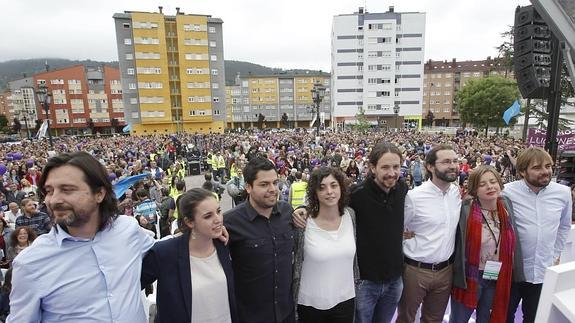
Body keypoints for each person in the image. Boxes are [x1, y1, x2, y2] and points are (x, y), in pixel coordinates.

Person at [7, 151, 155, 322]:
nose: (54, 200)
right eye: (49, 191)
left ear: (99, 193)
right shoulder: (30, 264)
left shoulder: (127, 229)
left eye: (67, 190)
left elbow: (164, 251)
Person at [141, 188, 239, 323]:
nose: (218, 220)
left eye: (218, 211)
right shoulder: (165, 252)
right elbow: (127, 287)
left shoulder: (224, 243)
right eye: (208, 216)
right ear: (189, 222)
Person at [503, 147, 572, 323]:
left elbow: (564, 227)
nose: (545, 171)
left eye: (548, 166)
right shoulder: (506, 192)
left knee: (535, 318)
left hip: (543, 271)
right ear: (522, 171)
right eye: (537, 168)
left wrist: (555, 254)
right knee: (504, 316)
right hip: (512, 272)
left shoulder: (563, 193)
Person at [224, 157, 296, 323]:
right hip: (250, 316)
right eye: (264, 184)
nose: (273, 189)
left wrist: (302, 209)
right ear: (248, 187)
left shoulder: (287, 212)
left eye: (275, 183)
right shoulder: (230, 222)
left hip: (286, 314)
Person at [450, 165, 523, 323]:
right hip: (470, 277)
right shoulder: (465, 210)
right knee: (459, 319)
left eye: (493, 181)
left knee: (486, 319)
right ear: (474, 190)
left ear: (499, 183)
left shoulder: (506, 206)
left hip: (495, 275)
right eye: (482, 184)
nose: (490, 186)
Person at [398, 144, 461, 323]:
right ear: (430, 167)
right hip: (415, 271)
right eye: (446, 161)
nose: (453, 165)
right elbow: (398, 228)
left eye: (455, 161)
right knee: (406, 319)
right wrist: (405, 236)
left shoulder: (456, 194)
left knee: (434, 320)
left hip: (445, 271)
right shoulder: (414, 197)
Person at [293, 167, 358, 323]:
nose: (329, 191)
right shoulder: (303, 222)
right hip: (310, 304)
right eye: (322, 187)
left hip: (346, 300)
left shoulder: (350, 215)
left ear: (341, 188)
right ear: (314, 193)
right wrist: (299, 209)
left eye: (333, 185)